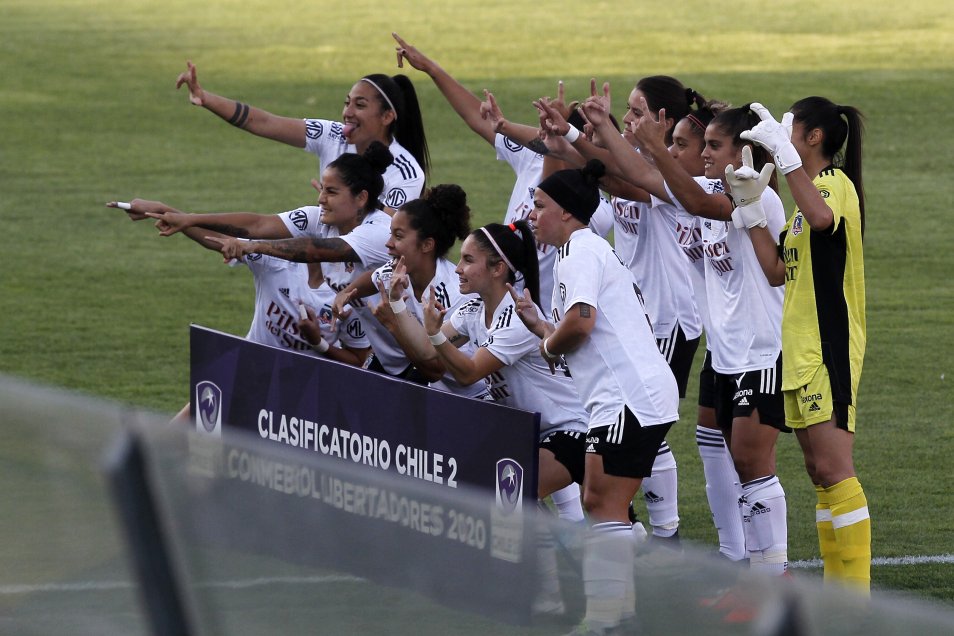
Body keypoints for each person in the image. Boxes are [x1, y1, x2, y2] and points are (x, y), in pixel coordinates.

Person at [565, 90, 792, 578]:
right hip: (726, 355)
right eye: (701, 145)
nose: (705, 155)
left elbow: (676, 190)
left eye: (712, 146)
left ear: (742, 154)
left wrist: (652, 146)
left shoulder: (756, 195)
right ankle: (742, 566)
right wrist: (604, 129)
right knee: (727, 455)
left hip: (763, 351)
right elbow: (639, 175)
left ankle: (772, 583)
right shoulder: (703, 196)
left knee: (754, 467)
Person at [383, 219, 590, 614]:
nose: (458, 268)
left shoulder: (515, 319)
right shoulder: (474, 308)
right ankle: (553, 588)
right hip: (525, 430)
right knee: (502, 502)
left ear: (497, 269)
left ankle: (562, 589)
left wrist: (436, 335)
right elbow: (429, 358)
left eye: (468, 260)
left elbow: (466, 372)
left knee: (512, 503)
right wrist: (398, 305)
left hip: (571, 431)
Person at [512, 159, 679, 633]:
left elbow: (581, 322)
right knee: (597, 501)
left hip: (627, 397)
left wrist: (547, 342)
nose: (531, 214)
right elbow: (586, 326)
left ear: (566, 213)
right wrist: (543, 327)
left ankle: (604, 619)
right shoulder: (583, 251)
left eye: (539, 206)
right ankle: (618, 611)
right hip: (624, 396)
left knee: (602, 502)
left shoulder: (580, 251)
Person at [741, 98, 870, 592]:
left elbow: (821, 221)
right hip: (797, 351)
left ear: (813, 137)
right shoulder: (802, 202)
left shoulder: (833, 187)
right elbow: (778, 271)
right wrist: (751, 211)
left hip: (827, 348)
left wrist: (787, 166)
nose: (780, 130)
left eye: (789, 124)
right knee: (819, 473)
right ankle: (840, 594)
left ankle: (855, 600)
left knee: (836, 471)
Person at [109, 199, 370, 422]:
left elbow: (359, 363)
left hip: (302, 401)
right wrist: (163, 209)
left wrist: (318, 343)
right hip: (247, 373)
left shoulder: (349, 294)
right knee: (172, 440)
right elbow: (222, 240)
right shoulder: (276, 261)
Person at [142, 143, 396, 311]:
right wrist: (187, 218)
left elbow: (315, 250)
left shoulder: (378, 232)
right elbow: (258, 223)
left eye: (331, 192)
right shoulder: (320, 219)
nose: (321, 199)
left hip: (422, 348)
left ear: (361, 198)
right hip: (390, 351)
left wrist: (256, 247)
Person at [175, 61, 428, 210]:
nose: (347, 113)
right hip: (329, 264)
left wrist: (342, 201)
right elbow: (264, 122)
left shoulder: (406, 173)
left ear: (387, 117)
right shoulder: (333, 135)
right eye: (347, 103)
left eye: (360, 105)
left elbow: (392, 233)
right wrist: (205, 98)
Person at [335, 184, 488, 400]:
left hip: (472, 398)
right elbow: (373, 277)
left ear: (427, 245)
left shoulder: (454, 296)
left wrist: (394, 325)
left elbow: (433, 370)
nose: (388, 244)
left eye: (398, 236)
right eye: (391, 234)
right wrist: (346, 294)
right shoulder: (397, 268)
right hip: (436, 386)